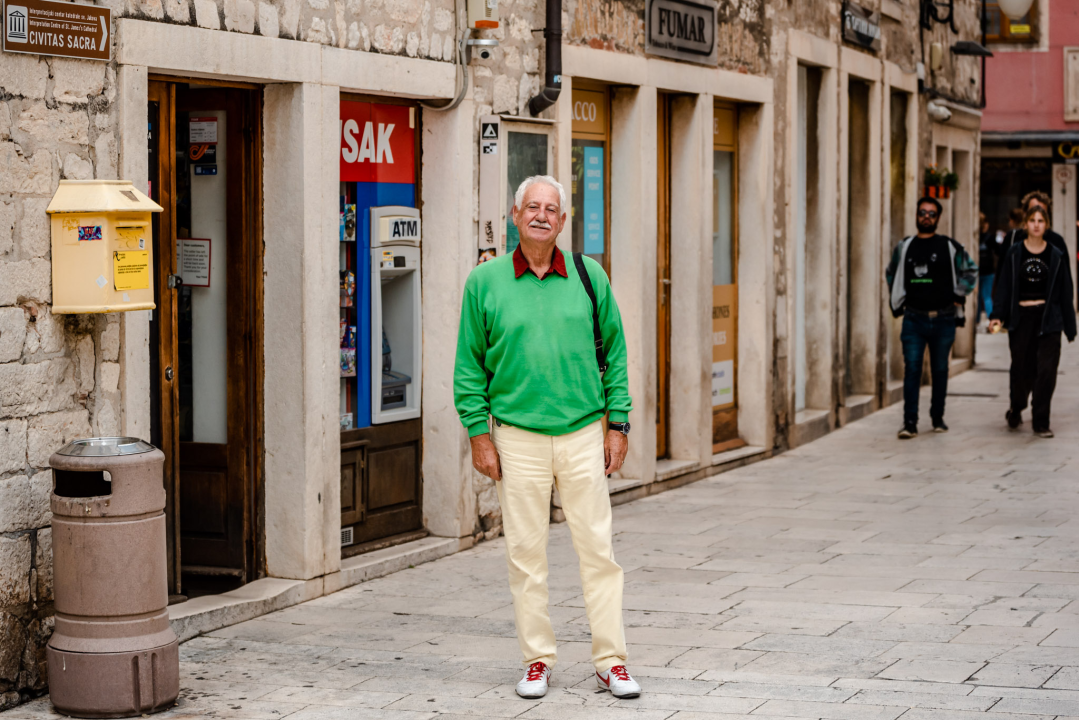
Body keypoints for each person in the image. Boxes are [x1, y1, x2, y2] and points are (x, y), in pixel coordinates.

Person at [453, 175, 640, 700]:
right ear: (515, 216)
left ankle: (611, 662)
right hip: (516, 439)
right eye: (531, 207)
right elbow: (469, 366)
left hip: (582, 434)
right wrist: (478, 433)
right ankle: (537, 660)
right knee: (525, 555)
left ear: (563, 220)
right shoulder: (484, 282)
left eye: (551, 209)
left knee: (598, 552)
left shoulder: (589, 275)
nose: (541, 215)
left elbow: (615, 354)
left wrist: (618, 424)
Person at [886, 197, 978, 439]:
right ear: (916, 215)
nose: (926, 217)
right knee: (912, 369)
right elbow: (891, 272)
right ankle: (909, 422)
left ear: (938, 218)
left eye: (931, 214)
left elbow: (971, 270)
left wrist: (959, 293)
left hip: (943, 319)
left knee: (940, 369)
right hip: (913, 318)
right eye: (922, 213)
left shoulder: (949, 246)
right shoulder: (904, 247)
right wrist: (897, 297)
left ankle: (938, 417)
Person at [989, 205, 1076, 438]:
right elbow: (1004, 287)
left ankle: (1041, 421)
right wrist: (996, 315)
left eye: (1041, 220)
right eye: (1032, 220)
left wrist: (1070, 326)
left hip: (1048, 320)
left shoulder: (1055, 255)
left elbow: (1065, 291)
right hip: (1021, 319)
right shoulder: (1014, 253)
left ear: (1046, 225)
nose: (1036, 224)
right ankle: (1017, 407)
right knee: (1021, 370)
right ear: (1025, 224)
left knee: (1046, 371)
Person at [977, 212, 996, 324]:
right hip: (988, 271)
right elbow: (998, 251)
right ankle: (991, 319)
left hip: (978, 271)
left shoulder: (975, 237)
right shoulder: (990, 238)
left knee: (978, 297)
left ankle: (976, 319)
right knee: (987, 296)